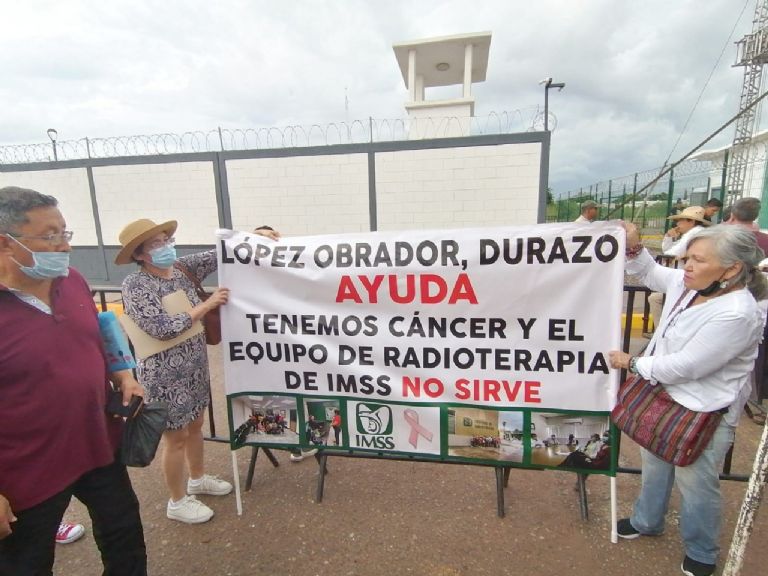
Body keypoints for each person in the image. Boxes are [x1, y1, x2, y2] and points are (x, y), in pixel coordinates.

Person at [0, 186, 147, 575]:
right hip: (25, 475)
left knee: (124, 539)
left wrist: (123, 374)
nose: (64, 247)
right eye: (49, 236)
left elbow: (99, 334)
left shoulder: (73, 280)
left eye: (65, 233)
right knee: (28, 563)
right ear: (5, 244)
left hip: (98, 446)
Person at [609, 223, 767, 576]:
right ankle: (647, 520)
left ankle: (702, 551)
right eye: (686, 259)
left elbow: (689, 366)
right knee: (654, 464)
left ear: (731, 269)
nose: (687, 267)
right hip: (663, 398)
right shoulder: (688, 284)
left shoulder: (737, 313)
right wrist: (634, 246)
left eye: (697, 260)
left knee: (695, 483)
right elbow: (650, 272)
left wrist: (631, 361)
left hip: (703, 410)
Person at [116, 218, 279, 524]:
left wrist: (253, 236)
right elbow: (160, 328)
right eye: (155, 244)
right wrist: (207, 306)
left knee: (195, 426)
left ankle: (197, 478)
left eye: (166, 239)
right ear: (139, 254)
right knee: (175, 437)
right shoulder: (135, 285)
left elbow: (217, 253)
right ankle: (177, 501)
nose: (165, 247)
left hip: (194, 365)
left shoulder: (180, 269)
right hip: (164, 374)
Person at [646, 206, 711, 336]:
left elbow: (670, 254)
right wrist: (669, 237)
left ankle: (662, 333)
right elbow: (668, 252)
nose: (678, 224)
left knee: (656, 299)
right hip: (686, 278)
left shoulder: (694, 234)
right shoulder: (692, 234)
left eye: (681, 220)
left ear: (691, 221)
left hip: (687, 280)